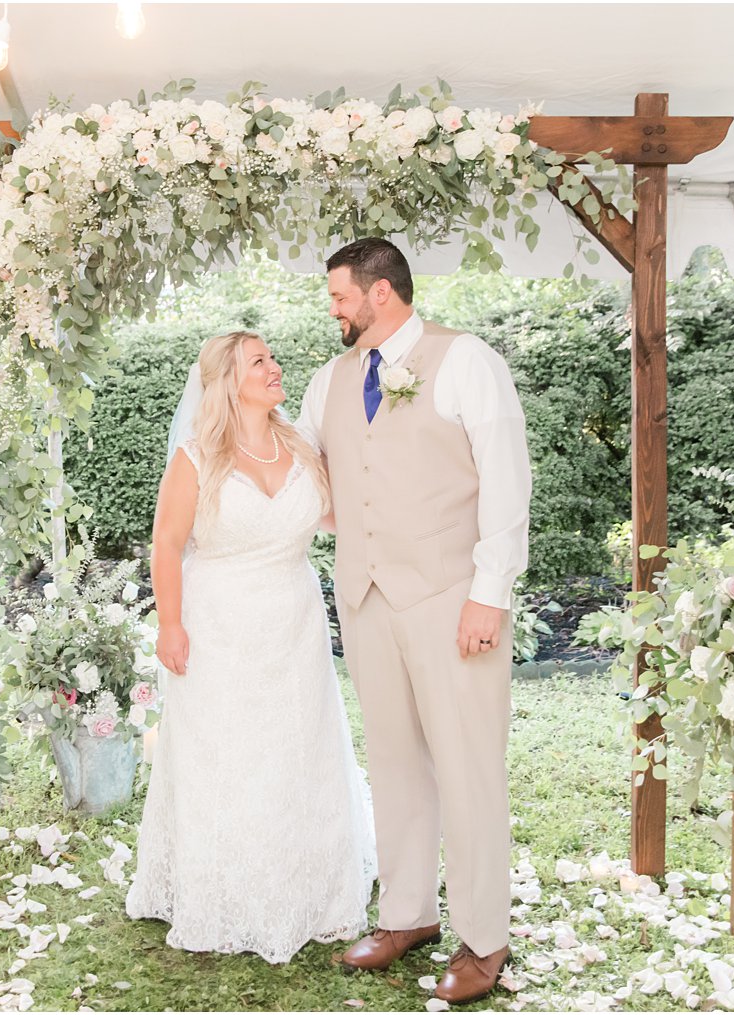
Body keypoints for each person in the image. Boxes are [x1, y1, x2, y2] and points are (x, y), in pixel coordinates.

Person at [296, 237, 532, 1004]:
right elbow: (315, 471)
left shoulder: (466, 360)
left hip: (450, 597)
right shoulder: (327, 378)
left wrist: (489, 593)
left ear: (380, 293)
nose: (331, 309)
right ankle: (406, 914)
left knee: (466, 768)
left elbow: (506, 476)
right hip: (365, 598)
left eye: (339, 296)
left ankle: (484, 937)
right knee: (394, 762)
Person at [125, 330, 376, 964]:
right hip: (219, 626)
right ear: (227, 381)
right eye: (258, 361)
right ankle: (222, 889)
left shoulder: (302, 447)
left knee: (297, 747)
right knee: (225, 754)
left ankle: (306, 884)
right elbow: (166, 544)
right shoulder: (196, 457)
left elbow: (344, 515)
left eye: (271, 358)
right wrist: (170, 625)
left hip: (294, 625)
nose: (273, 367)